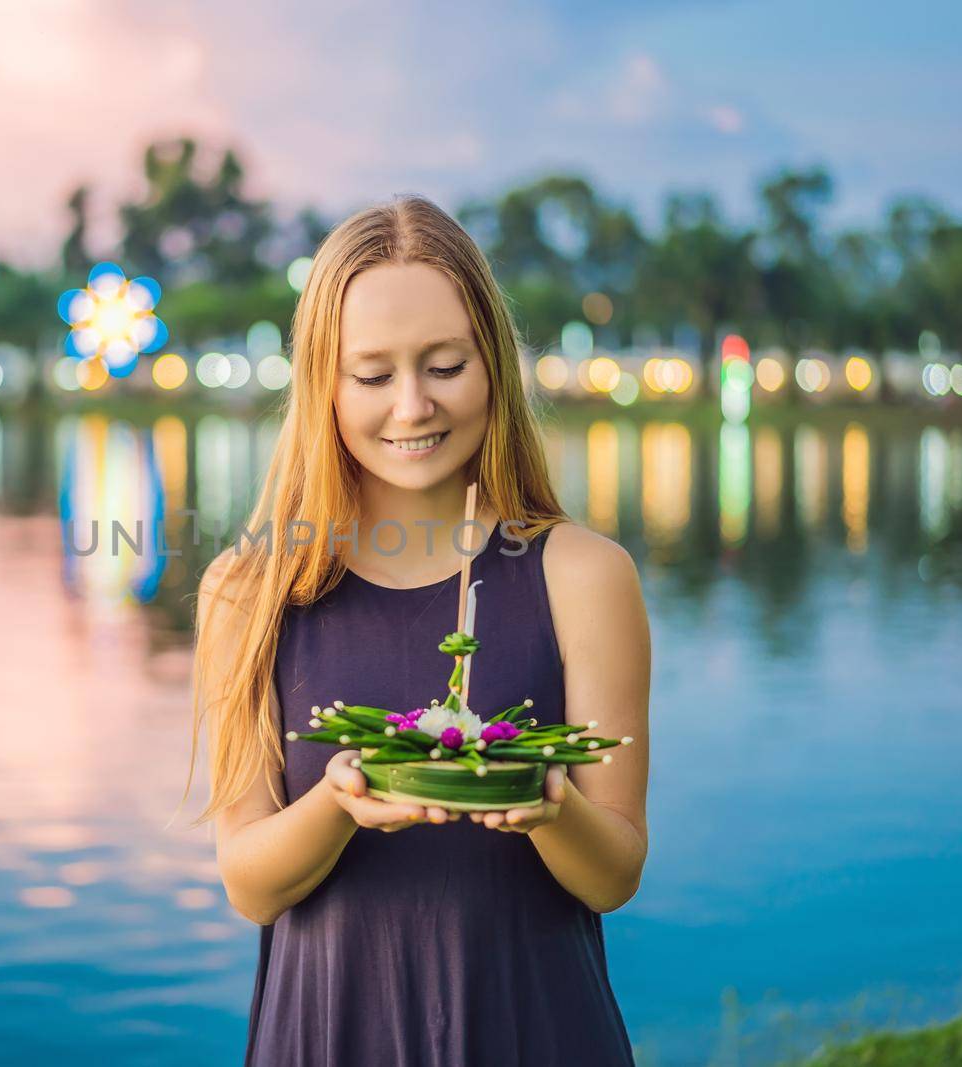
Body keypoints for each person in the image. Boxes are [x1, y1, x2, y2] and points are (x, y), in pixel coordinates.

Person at [186, 194, 650, 1066]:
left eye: (444, 365)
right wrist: (339, 802)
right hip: (327, 1031)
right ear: (323, 383)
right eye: (372, 375)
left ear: (493, 367)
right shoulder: (248, 593)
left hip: (534, 1027)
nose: (412, 407)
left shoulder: (584, 576)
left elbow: (616, 869)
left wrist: (547, 803)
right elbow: (249, 882)